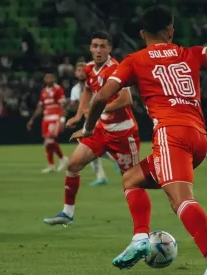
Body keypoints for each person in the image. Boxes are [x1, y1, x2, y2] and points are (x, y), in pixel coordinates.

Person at [70, 6, 207, 274]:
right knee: (131, 178)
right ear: (171, 31)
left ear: (142, 34)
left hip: (170, 134)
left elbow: (100, 97)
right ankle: (140, 238)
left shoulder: (134, 60)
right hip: (198, 136)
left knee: (180, 200)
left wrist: (89, 127)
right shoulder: (192, 53)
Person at [43, 31, 142, 226]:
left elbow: (126, 99)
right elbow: (88, 90)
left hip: (123, 132)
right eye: (95, 46)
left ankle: (141, 229)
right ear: (90, 48)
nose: (98, 50)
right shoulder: (89, 69)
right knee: (73, 165)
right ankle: (67, 213)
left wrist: (96, 108)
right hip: (100, 129)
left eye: (103, 46)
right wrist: (80, 115)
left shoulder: (116, 69)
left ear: (109, 49)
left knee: (132, 181)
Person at [69, 61, 119, 186]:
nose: (81, 73)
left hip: (103, 118)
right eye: (78, 70)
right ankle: (105, 172)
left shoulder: (98, 81)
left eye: (83, 70)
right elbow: (76, 104)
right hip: (90, 121)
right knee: (90, 147)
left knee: (89, 146)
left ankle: (116, 163)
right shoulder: (75, 89)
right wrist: (77, 113)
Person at [27, 72, 69, 173]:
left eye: (50, 77)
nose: (48, 79)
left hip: (55, 117)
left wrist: (62, 119)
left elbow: (63, 105)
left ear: (54, 79)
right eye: (47, 78)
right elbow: (40, 107)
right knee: (48, 142)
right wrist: (32, 119)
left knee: (49, 141)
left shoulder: (58, 89)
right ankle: (51, 165)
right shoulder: (43, 92)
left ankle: (63, 158)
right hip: (46, 118)